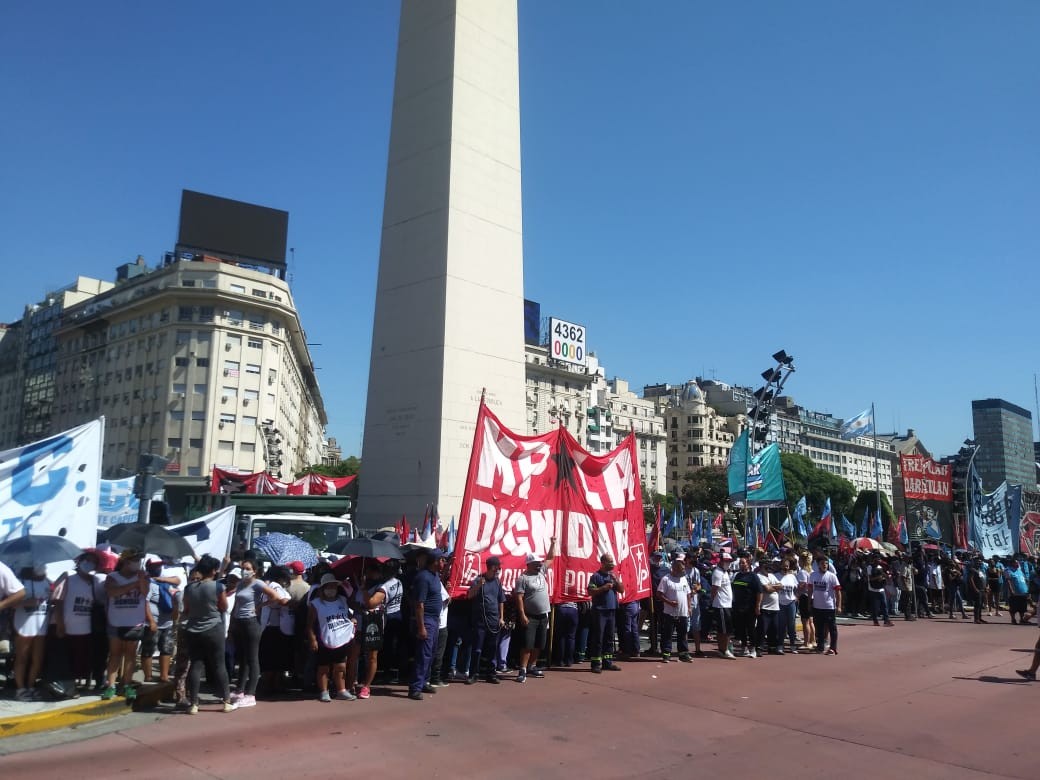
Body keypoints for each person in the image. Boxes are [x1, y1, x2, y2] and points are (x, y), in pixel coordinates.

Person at [181, 555, 236, 714]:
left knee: (196, 665)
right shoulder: (218, 587)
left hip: (193, 629)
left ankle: (194, 703)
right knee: (219, 665)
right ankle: (226, 701)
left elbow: (186, 609)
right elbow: (224, 606)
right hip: (213, 628)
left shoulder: (189, 588)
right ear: (213, 570)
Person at [229, 559, 285, 708]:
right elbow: (236, 603)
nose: (244, 570)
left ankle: (251, 694)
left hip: (251, 622)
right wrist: (232, 622)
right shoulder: (241, 584)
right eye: (243, 568)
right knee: (243, 658)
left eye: (247, 568)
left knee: (253, 659)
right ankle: (240, 690)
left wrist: (260, 606)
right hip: (239, 621)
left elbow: (275, 597)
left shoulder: (258, 583)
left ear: (254, 570)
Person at [103, 549, 156, 701]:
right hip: (116, 621)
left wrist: (141, 580)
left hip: (135, 622)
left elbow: (145, 594)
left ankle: (126, 684)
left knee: (131, 655)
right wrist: (134, 583)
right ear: (126, 562)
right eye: (134, 560)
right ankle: (110, 685)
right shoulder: (112, 577)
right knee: (115, 654)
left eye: (139, 560)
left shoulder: (143, 576)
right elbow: (113, 592)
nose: (137, 563)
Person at [52, 550, 106, 692]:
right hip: (67, 627)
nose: (89, 564)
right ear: (80, 561)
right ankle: (66, 687)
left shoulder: (95, 581)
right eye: (86, 560)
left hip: (86, 629)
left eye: (93, 562)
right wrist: (60, 624)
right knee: (65, 660)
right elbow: (58, 602)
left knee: (80, 660)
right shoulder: (68, 577)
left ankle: (74, 686)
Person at [307, 573, 356, 702]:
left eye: (333, 586)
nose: (331, 589)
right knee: (324, 667)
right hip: (324, 640)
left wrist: (353, 620)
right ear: (323, 588)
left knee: (340, 666)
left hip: (341, 639)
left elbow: (350, 615)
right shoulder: (315, 603)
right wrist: (313, 639)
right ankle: (324, 691)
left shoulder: (343, 600)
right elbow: (310, 624)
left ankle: (341, 690)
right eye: (328, 586)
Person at [513, 538, 556, 683]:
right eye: (536, 563)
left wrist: (553, 543)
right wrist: (522, 615)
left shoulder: (541, 572)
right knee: (527, 644)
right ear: (529, 564)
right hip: (530, 617)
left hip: (543, 615)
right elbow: (519, 598)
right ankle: (522, 670)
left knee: (540, 644)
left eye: (539, 563)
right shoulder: (523, 579)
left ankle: (532, 666)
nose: (539, 564)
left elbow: (550, 558)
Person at [409, 549, 445, 700]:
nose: (444, 562)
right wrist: (421, 626)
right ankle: (415, 687)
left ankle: (423, 682)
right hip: (427, 620)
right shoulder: (423, 578)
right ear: (435, 561)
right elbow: (419, 604)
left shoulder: (435, 576)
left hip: (435, 620)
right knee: (423, 655)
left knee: (431, 654)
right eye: (442, 560)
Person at [465, 555, 506, 684]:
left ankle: (491, 674)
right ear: (492, 567)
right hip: (480, 621)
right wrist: (478, 586)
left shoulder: (497, 581)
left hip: (494, 620)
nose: (499, 569)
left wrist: (502, 617)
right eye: (497, 567)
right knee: (477, 649)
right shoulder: (478, 579)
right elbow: (469, 596)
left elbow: (501, 600)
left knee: (492, 648)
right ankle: (473, 674)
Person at [12, 564, 51, 701]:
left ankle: (31, 686)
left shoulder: (47, 581)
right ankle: (20, 689)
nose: (43, 567)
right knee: (22, 658)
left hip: (41, 625)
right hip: (24, 625)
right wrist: (25, 602)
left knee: (37, 659)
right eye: (39, 564)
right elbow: (11, 603)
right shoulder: (20, 582)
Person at [587, 553, 624, 673]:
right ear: (602, 563)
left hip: (611, 610)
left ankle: (607, 662)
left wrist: (616, 580)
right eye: (609, 562)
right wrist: (603, 588)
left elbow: (622, 590)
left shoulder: (613, 575)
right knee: (598, 637)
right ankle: (595, 663)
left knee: (609, 637)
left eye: (612, 561)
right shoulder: (596, 576)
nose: (612, 564)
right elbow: (590, 591)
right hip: (600, 611)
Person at [657, 557, 693, 662]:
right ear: (674, 568)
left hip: (683, 612)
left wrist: (689, 607)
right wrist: (669, 602)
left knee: (682, 634)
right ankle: (666, 654)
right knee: (667, 634)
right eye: (681, 569)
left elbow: (688, 594)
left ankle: (683, 654)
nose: (683, 571)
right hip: (669, 613)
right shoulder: (666, 579)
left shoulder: (683, 579)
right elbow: (659, 594)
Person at [731, 555, 762, 658]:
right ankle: (744, 648)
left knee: (751, 628)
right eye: (740, 563)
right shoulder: (737, 576)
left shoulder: (753, 576)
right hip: (739, 607)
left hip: (750, 607)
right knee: (741, 629)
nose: (741, 565)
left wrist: (757, 606)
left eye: (743, 563)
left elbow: (759, 592)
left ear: (748, 564)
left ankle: (753, 648)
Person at [810, 558, 842, 655]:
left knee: (832, 628)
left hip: (829, 607)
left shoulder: (832, 576)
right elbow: (810, 590)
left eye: (826, 563)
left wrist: (839, 605)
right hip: (817, 606)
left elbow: (838, 592)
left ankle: (833, 648)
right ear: (818, 565)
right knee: (819, 627)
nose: (824, 565)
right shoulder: (813, 575)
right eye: (822, 563)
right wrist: (809, 603)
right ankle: (820, 646)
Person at [755, 559, 783, 655]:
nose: (768, 568)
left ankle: (772, 647)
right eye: (765, 566)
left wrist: (772, 586)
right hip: (764, 607)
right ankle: (759, 648)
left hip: (775, 607)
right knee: (762, 629)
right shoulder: (758, 576)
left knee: (774, 629)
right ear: (761, 566)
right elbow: (767, 589)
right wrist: (773, 587)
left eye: (768, 566)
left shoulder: (771, 575)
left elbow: (781, 586)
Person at [711, 552, 736, 659]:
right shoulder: (718, 573)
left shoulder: (725, 572)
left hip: (726, 604)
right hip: (721, 605)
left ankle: (722, 649)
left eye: (729, 561)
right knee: (725, 630)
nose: (728, 563)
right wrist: (713, 602)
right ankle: (724, 649)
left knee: (724, 629)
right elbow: (714, 589)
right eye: (726, 561)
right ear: (721, 561)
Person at [777, 558, 799, 653]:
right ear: (781, 565)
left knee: (791, 624)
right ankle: (780, 645)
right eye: (784, 565)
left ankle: (792, 645)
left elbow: (796, 589)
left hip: (791, 603)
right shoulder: (775, 576)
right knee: (781, 625)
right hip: (780, 603)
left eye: (787, 566)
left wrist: (796, 597)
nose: (785, 567)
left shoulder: (792, 577)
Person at [867, 557, 894, 627]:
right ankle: (875, 621)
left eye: (879, 560)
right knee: (875, 606)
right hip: (873, 589)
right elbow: (870, 578)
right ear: (874, 560)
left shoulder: (880, 567)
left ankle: (886, 621)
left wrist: (887, 576)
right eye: (877, 560)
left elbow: (884, 575)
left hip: (881, 589)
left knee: (884, 605)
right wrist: (878, 577)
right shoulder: (870, 567)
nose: (878, 561)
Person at [1004, 559, 1030, 625]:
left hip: (1023, 592)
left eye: (1018, 562)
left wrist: (1027, 590)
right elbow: (1008, 581)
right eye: (1016, 563)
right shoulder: (1008, 570)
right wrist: (1011, 590)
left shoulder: (1019, 570)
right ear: (1012, 563)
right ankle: (1013, 619)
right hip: (1014, 593)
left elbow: (1024, 580)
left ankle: (1022, 619)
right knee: (1013, 607)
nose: (1018, 564)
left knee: (1022, 607)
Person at [966, 558, 987, 624]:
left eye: (980, 562)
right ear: (974, 563)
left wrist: (986, 587)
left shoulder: (980, 570)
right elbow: (971, 579)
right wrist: (975, 589)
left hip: (983, 589)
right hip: (977, 590)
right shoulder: (972, 570)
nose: (979, 563)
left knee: (981, 605)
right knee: (977, 605)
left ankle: (980, 618)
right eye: (977, 562)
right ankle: (976, 619)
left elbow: (983, 579)